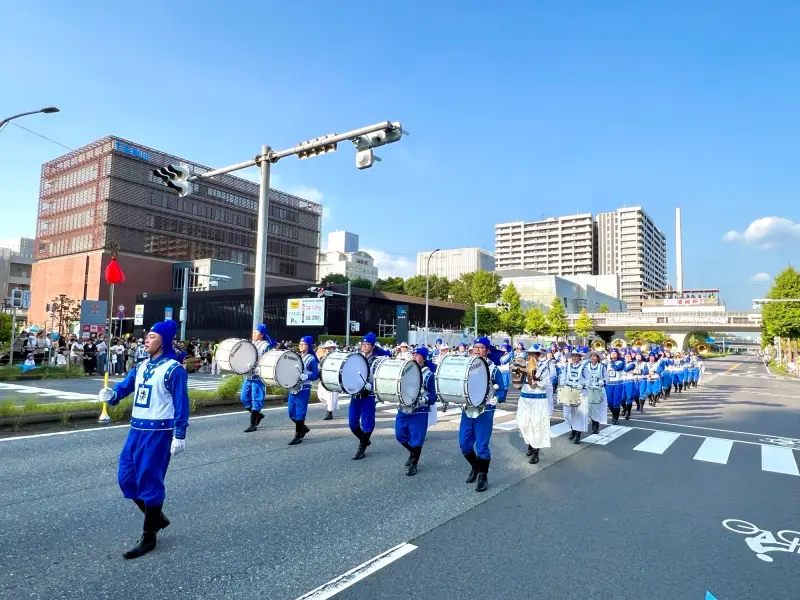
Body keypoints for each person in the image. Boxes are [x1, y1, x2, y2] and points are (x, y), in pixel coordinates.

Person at [98, 318, 189, 559]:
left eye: (152, 336)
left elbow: (182, 404)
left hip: (159, 433)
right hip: (136, 430)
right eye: (146, 335)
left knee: (150, 481)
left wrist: (179, 434)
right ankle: (157, 517)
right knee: (126, 477)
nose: (146, 339)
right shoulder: (139, 366)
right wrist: (112, 393)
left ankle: (149, 535)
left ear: (164, 341)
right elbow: (125, 388)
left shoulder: (174, 369)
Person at [459, 336, 507, 492]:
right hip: (468, 408)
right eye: (475, 347)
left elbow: (502, 391)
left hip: (485, 410)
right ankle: (475, 466)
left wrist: (496, 398)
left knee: (481, 445)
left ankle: (483, 475)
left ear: (487, 350)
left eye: (481, 347)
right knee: (464, 444)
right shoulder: (466, 365)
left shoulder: (494, 369)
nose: (477, 350)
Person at [396, 346, 437, 476]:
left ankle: (414, 461)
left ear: (424, 358)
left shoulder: (429, 375)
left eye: (417, 355)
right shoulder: (405, 370)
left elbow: (434, 395)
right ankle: (413, 453)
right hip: (404, 408)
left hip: (420, 409)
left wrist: (425, 399)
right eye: (413, 354)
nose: (414, 356)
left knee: (417, 438)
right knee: (400, 435)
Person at [349, 333, 390, 460]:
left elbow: (381, 378)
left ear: (373, 346)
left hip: (368, 395)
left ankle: (361, 449)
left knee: (367, 423)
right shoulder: (357, 358)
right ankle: (364, 440)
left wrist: (371, 386)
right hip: (355, 394)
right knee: (352, 423)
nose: (364, 346)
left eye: (367, 344)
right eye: (363, 344)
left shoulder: (378, 361)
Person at [517, 345, 551, 465]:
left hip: (538, 399)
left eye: (533, 354)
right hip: (525, 398)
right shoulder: (523, 365)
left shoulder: (544, 367)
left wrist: (535, 378)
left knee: (536, 424)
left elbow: (546, 383)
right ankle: (531, 443)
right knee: (523, 423)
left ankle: (536, 451)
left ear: (538, 355)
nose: (531, 356)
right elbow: (517, 381)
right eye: (529, 354)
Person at [241, 324, 274, 433]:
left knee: (256, 400)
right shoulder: (251, 343)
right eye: (254, 332)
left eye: (256, 333)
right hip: (249, 375)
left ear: (262, 335)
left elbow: (268, 361)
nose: (254, 334)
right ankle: (258, 415)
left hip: (258, 377)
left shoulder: (266, 346)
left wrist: (260, 370)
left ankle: (253, 424)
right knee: (244, 397)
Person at [287, 336, 320, 445]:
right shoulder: (296, 356)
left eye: (304, 344)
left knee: (300, 413)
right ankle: (303, 429)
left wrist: (307, 376)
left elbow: (316, 374)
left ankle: (298, 436)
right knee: (291, 413)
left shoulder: (311, 359)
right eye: (300, 344)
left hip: (304, 387)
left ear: (309, 346)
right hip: (293, 387)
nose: (301, 345)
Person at [560, 347, 589, 444]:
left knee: (579, 414)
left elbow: (588, 380)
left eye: (576, 356)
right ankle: (573, 428)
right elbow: (562, 379)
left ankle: (578, 433)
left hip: (580, 393)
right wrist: (566, 383)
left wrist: (582, 385)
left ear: (580, 357)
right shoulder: (567, 366)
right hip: (568, 391)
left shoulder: (584, 367)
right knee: (567, 414)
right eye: (573, 356)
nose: (574, 358)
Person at [585, 351, 608, 435]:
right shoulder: (586, 366)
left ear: (598, 358)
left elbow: (606, 378)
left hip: (599, 389)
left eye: (595, 356)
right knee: (589, 407)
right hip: (589, 389)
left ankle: (596, 424)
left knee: (597, 408)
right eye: (591, 356)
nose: (593, 358)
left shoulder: (602, 367)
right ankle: (592, 421)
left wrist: (602, 381)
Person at [317, 340, 340, 420]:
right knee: (320, 396)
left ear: (333, 348)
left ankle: (330, 412)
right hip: (323, 378)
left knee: (330, 396)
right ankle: (328, 408)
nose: (328, 349)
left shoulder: (337, 357)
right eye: (326, 348)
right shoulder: (323, 357)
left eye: (330, 348)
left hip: (332, 379)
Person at [604, 348, 625, 424]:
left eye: (615, 353)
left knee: (616, 402)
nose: (613, 355)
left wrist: (611, 361)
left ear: (618, 354)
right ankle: (614, 414)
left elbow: (618, 368)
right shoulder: (607, 362)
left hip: (618, 384)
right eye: (612, 353)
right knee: (609, 402)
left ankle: (615, 418)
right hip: (609, 384)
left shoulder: (621, 362)